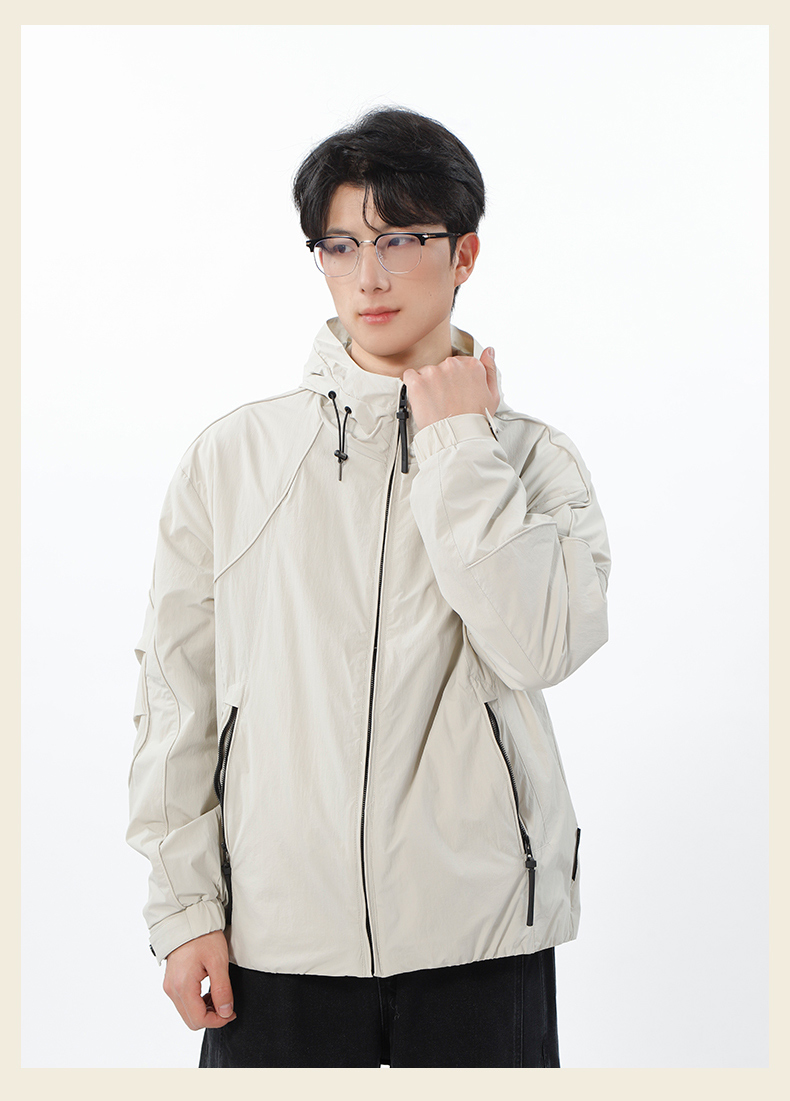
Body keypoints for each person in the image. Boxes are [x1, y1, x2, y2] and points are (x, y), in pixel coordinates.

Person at [127, 106, 611, 1068]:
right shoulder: (235, 457)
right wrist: (185, 907)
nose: (369, 277)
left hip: (481, 931)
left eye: (399, 240)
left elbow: (539, 646)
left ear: (463, 253)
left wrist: (458, 444)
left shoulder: (531, 461)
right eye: (340, 245)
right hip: (276, 936)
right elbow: (176, 694)